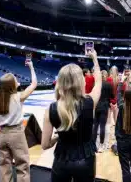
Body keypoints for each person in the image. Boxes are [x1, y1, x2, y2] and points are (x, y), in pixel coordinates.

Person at [41, 49, 101, 182]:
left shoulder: (50, 109)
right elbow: (98, 83)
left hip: (62, 159)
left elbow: (45, 145)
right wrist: (94, 59)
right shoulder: (90, 102)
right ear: (81, 81)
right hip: (85, 160)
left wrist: (57, 138)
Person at [0, 62, 37, 182]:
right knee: (22, 165)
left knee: (4, 166)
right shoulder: (19, 97)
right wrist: (31, 67)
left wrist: (1, 128)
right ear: (12, 85)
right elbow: (34, 83)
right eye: (15, 79)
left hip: (2, 135)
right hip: (17, 134)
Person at [93, 70, 114, 153]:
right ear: (105, 76)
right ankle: (101, 146)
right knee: (102, 126)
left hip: (97, 106)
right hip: (105, 106)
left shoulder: (96, 85)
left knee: (95, 126)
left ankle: (93, 145)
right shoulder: (109, 84)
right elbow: (112, 96)